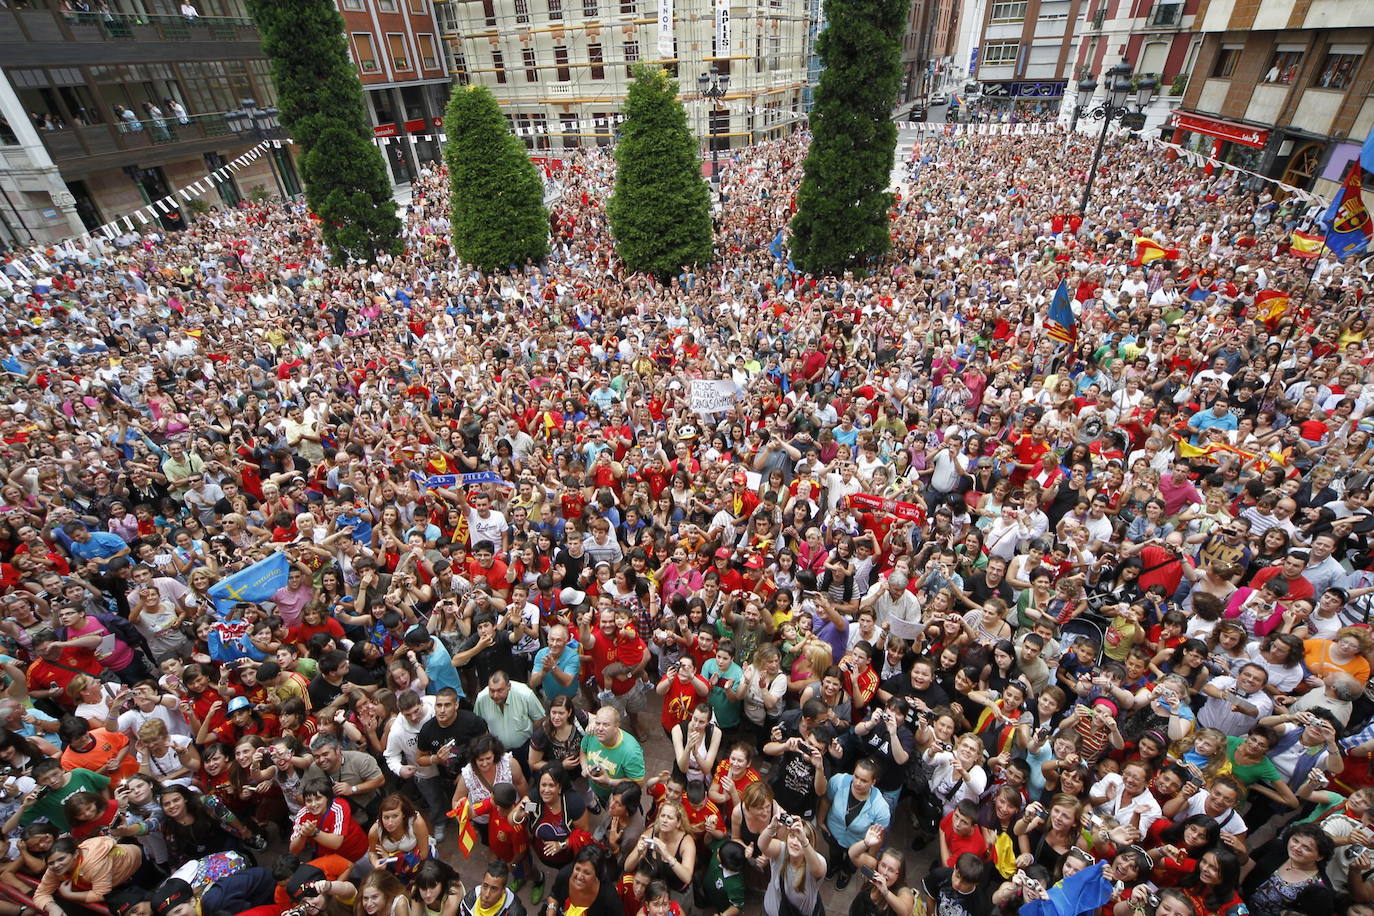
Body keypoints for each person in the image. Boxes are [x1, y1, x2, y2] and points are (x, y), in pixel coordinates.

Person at [580, 706, 646, 808]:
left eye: (606, 725)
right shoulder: (592, 734)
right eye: (598, 723)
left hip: (621, 799)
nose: (600, 728)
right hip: (600, 793)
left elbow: (638, 783)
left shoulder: (631, 751)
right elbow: (583, 751)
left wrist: (609, 781)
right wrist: (585, 767)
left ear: (616, 726)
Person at [760, 817, 826, 916]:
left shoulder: (816, 861)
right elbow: (762, 845)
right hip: (770, 911)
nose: (795, 843)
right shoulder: (781, 850)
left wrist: (804, 841)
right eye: (792, 836)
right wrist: (772, 827)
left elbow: (818, 870)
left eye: (799, 839)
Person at [459, 860, 526, 916]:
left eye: (494, 889)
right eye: (485, 886)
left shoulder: (515, 912)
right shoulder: (470, 900)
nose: (487, 895)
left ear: (503, 891)